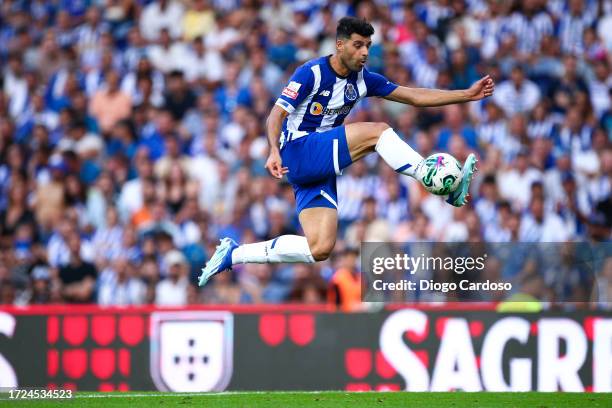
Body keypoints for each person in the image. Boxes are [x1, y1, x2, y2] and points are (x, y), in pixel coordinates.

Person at [198, 17, 494, 286]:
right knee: (377, 132)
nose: (365, 52)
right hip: (298, 150)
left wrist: (465, 95)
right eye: (358, 45)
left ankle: (233, 255)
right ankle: (433, 182)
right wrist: (273, 150)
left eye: (368, 45)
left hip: (319, 164)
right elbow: (275, 115)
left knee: (320, 247)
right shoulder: (311, 72)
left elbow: (414, 96)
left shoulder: (364, 80)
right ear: (339, 45)